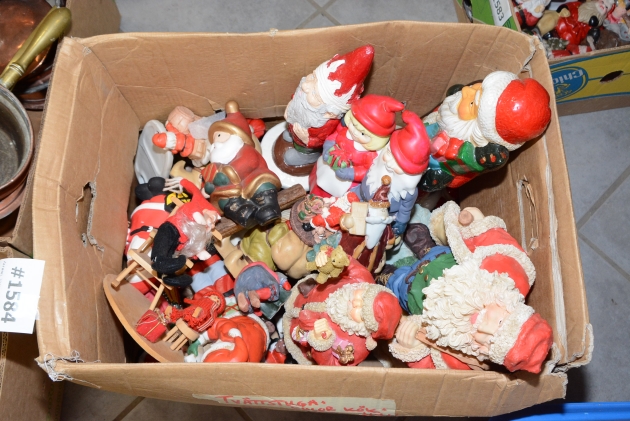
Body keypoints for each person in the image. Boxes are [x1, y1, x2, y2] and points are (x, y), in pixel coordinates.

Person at [420, 71, 551, 192]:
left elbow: (469, 162)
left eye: (472, 102)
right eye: (477, 88)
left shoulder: (466, 145)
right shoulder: (450, 111)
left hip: (436, 167)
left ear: (478, 127)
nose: (466, 90)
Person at [283, 259, 402, 366]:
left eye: (361, 312)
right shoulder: (361, 279)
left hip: (298, 338)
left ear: (366, 326)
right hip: (302, 293)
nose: (355, 302)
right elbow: (344, 260)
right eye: (362, 296)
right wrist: (328, 258)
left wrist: (321, 343)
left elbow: (332, 368)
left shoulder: (357, 348)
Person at [276, 45, 374, 172]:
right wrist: (290, 107)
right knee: (291, 132)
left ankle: (305, 156)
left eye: (314, 93)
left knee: (302, 150)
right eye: (312, 77)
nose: (305, 85)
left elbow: (322, 141)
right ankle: (292, 136)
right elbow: (296, 99)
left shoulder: (325, 124)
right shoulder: (304, 96)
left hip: (306, 143)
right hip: (294, 125)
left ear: (329, 113)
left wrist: (306, 139)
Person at [351, 110, 430, 237]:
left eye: (399, 165)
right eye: (388, 154)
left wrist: (401, 222)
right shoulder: (376, 164)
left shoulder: (408, 192)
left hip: (383, 217)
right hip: (359, 197)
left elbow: (405, 209)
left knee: (366, 238)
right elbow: (364, 174)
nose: (389, 164)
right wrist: (350, 174)